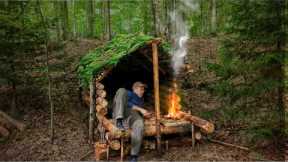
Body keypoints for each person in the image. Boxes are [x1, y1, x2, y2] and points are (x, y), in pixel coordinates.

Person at [112, 81, 152, 162]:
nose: (143, 91)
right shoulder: (129, 93)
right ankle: (119, 120)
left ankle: (134, 155)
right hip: (121, 111)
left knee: (139, 124)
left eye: (143, 89)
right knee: (121, 90)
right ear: (134, 89)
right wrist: (140, 109)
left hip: (130, 116)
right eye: (141, 89)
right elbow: (126, 103)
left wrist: (145, 114)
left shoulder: (141, 100)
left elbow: (138, 112)